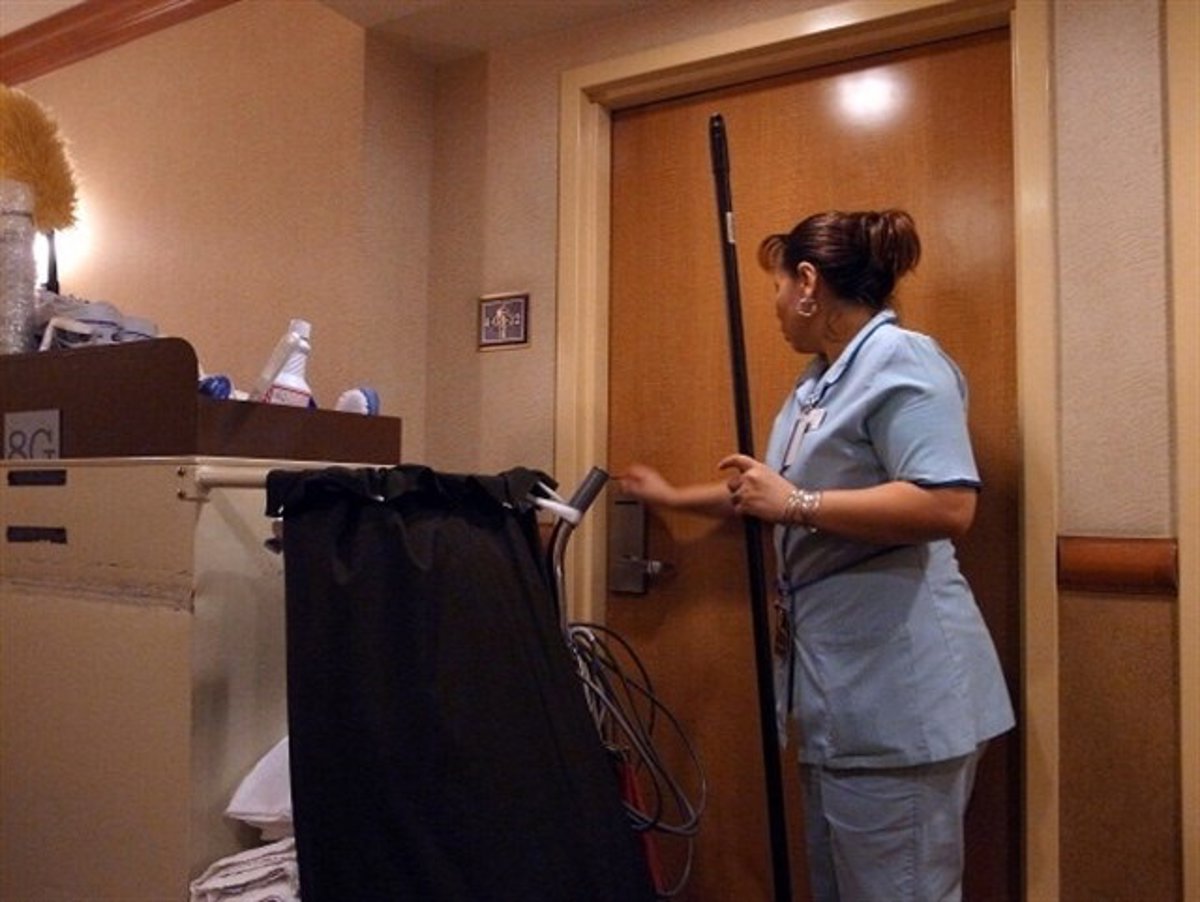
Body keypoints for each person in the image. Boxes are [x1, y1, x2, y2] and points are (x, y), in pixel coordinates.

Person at [619, 209, 1014, 902]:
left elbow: (948, 504)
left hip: (901, 701)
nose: (774, 305)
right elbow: (774, 491)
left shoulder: (903, 359)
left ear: (807, 283)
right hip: (843, 700)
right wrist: (677, 497)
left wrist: (795, 505)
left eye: (777, 285)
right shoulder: (818, 384)